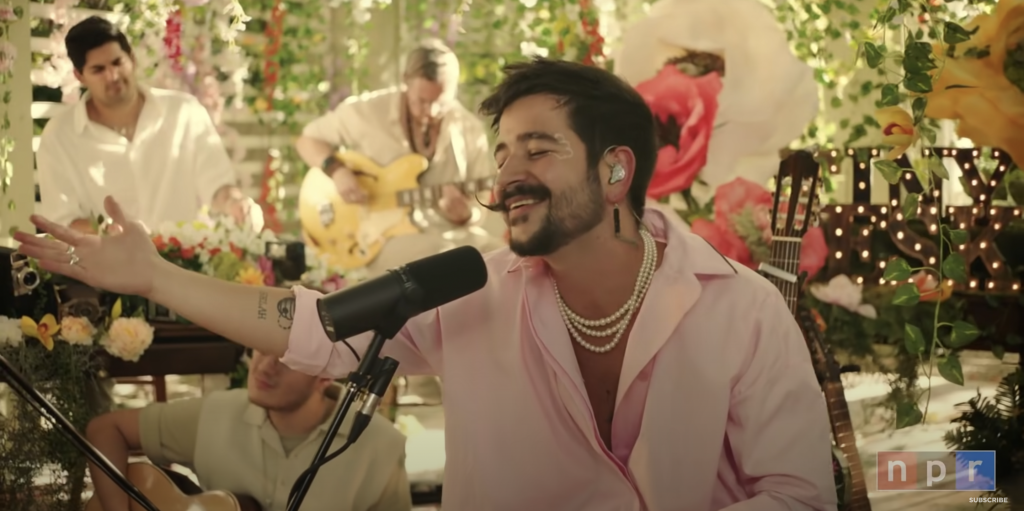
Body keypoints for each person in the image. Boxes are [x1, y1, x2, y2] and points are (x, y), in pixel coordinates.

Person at [17, 58, 839, 510]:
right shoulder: (472, 285)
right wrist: (156, 275)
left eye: (538, 150)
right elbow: (312, 325)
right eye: (504, 152)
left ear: (616, 168)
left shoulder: (744, 308)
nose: (507, 174)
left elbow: (801, 495)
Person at [84, 349, 411, 511]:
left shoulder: (381, 446)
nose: (265, 364)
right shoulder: (215, 412)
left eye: (287, 357)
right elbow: (105, 429)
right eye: (262, 347)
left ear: (326, 374)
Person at [295, 38, 503, 275]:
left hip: (450, 232)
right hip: (378, 236)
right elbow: (308, 140)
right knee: (445, 260)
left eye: (441, 102)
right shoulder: (367, 111)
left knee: (506, 259)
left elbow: (479, 205)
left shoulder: (470, 129)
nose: (431, 111)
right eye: (422, 101)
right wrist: (338, 172)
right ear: (405, 81)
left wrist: (463, 213)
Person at [36, 16, 258, 234]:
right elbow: (63, 221)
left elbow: (218, 185)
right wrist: (111, 233)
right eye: (98, 70)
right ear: (79, 76)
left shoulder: (184, 112)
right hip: (109, 266)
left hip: (185, 264)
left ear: (132, 59)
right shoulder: (59, 136)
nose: (112, 76)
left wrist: (236, 204)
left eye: (117, 62)